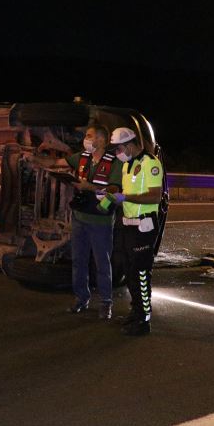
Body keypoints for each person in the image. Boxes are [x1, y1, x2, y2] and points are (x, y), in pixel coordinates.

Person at [106, 127, 164, 336]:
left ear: (130, 145)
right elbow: (125, 192)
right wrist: (111, 195)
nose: (117, 153)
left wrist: (126, 198)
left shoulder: (150, 164)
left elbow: (155, 197)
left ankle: (144, 321)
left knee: (140, 274)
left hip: (144, 226)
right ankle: (136, 311)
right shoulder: (126, 165)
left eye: (119, 149)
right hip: (128, 224)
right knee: (128, 270)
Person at [65, 125, 123, 319]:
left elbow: (114, 190)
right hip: (79, 218)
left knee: (102, 264)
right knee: (78, 261)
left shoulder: (114, 163)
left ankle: (106, 303)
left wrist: (88, 186)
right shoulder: (83, 157)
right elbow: (59, 161)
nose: (85, 139)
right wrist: (38, 161)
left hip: (101, 222)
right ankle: (81, 298)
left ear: (100, 140)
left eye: (89, 136)